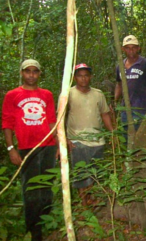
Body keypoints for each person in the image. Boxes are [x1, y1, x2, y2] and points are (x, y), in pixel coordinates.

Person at [2, 59, 58, 241]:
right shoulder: (12, 95)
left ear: (39, 74)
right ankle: (34, 232)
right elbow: (7, 123)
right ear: (22, 73)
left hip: (48, 146)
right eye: (28, 71)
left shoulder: (47, 95)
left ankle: (46, 226)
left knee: (47, 188)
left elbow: (51, 120)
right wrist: (11, 148)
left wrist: (58, 144)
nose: (31, 75)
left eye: (35, 71)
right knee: (31, 189)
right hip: (26, 148)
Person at [66, 63, 113, 206]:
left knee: (94, 172)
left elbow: (105, 114)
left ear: (90, 77)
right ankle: (84, 201)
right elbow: (61, 117)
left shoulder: (98, 94)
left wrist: (112, 133)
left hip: (97, 140)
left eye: (86, 75)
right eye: (80, 76)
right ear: (75, 78)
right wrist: (64, 139)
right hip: (77, 140)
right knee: (81, 172)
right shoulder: (68, 94)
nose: (83, 79)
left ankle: (91, 198)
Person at [114, 35, 146, 133]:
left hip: (143, 110)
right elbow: (119, 84)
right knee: (128, 138)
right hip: (126, 110)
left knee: (142, 138)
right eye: (127, 48)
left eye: (134, 47)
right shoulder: (120, 66)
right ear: (123, 49)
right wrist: (115, 100)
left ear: (138, 48)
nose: (131, 50)